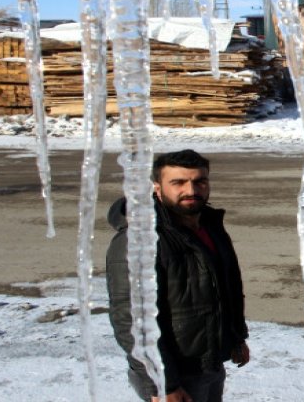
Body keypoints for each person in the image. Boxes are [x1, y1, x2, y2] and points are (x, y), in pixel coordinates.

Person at [106, 149, 250, 402]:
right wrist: (162, 383)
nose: (191, 190)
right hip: (173, 373)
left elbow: (227, 289)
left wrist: (236, 337)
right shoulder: (140, 239)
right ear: (157, 188)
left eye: (199, 181)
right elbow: (131, 320)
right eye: (178, 182)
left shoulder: (210, 226)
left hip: (209, 363)